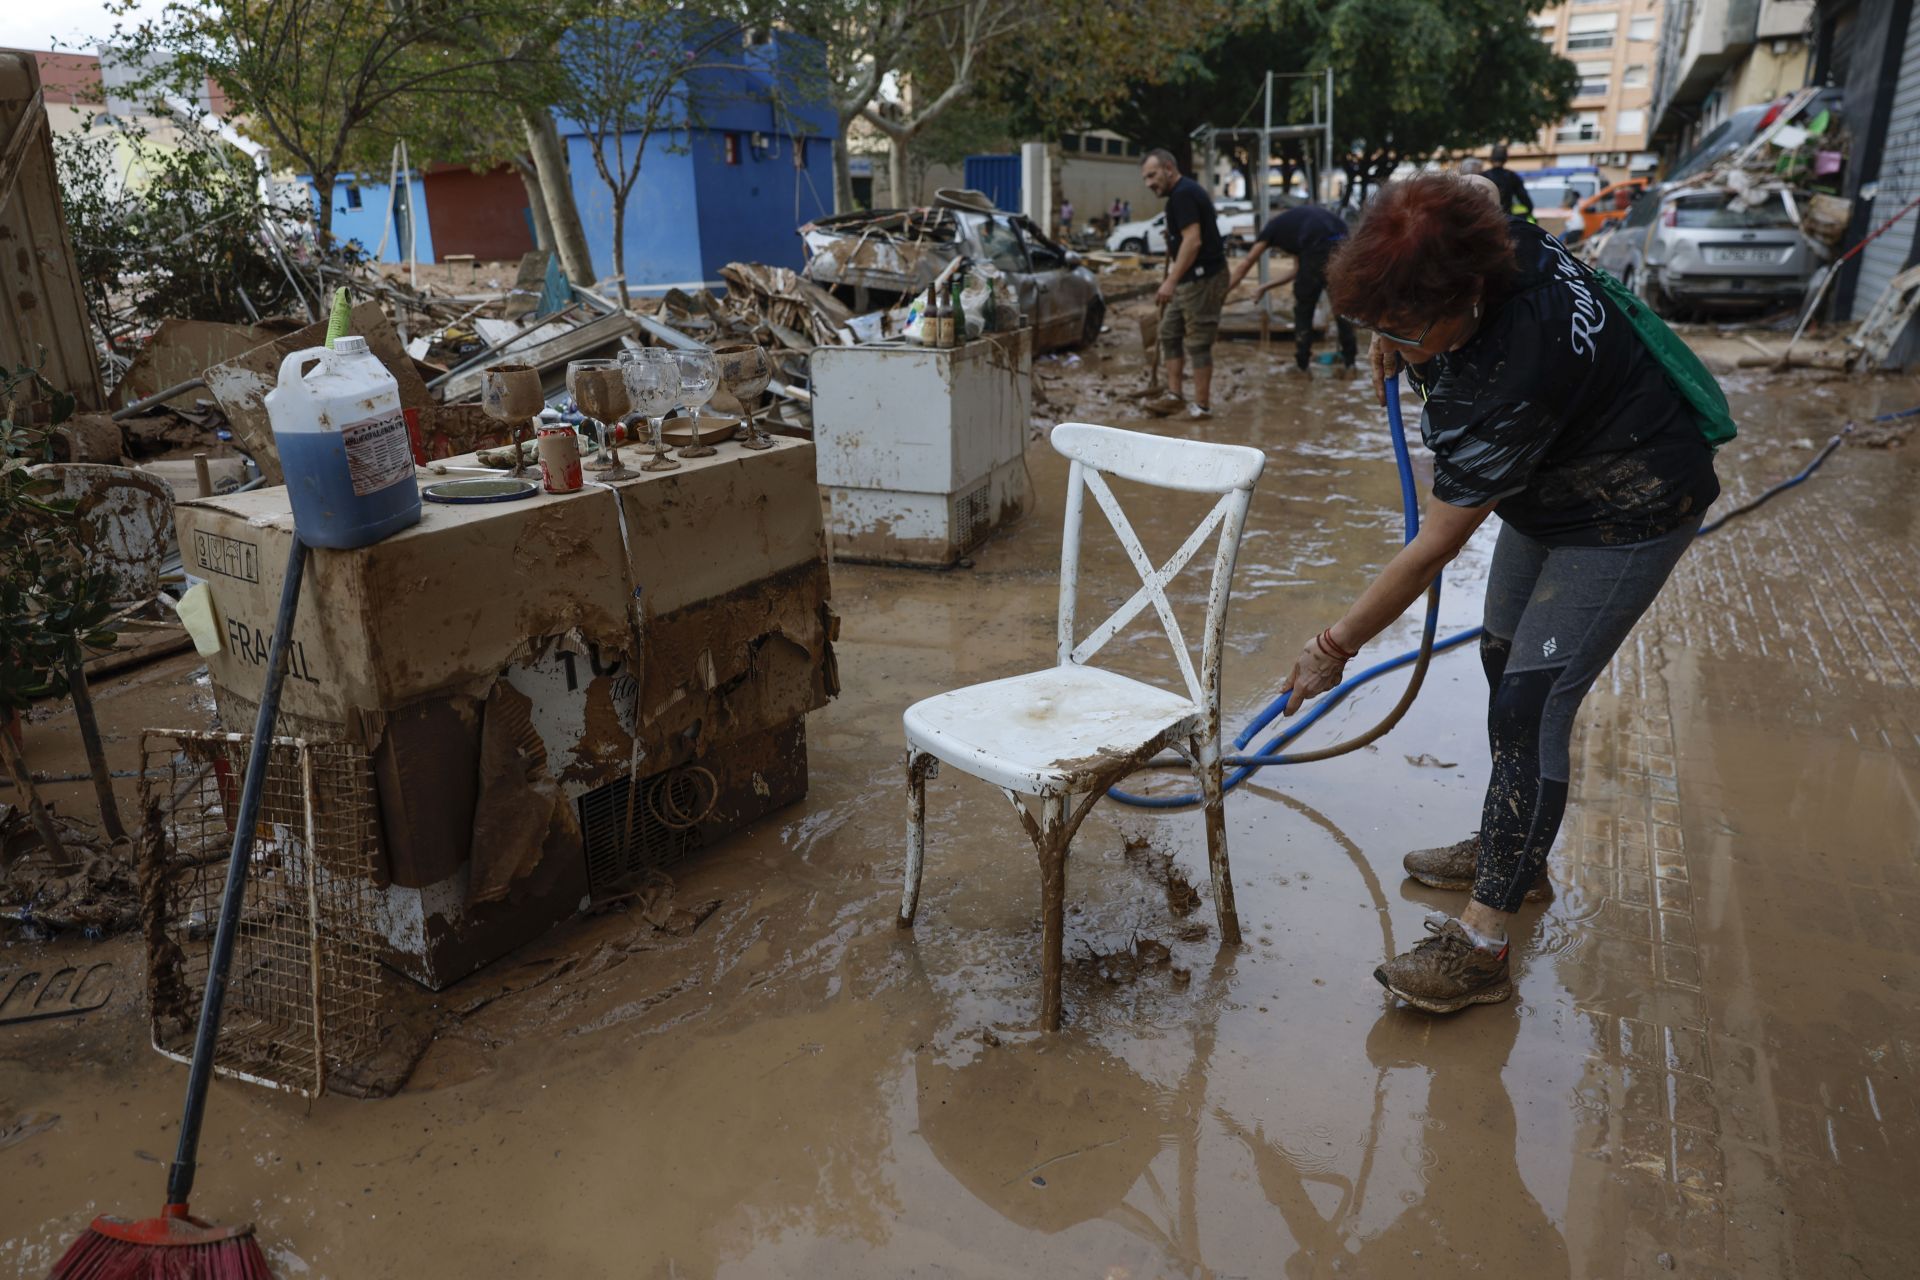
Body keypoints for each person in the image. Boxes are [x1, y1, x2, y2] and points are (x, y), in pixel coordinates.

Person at [1281, 173, 1720, 1014]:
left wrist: (1332, 646)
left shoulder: (1511, 377)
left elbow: (1435, 546)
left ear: (1471, 295)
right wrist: (1396, 327)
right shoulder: (1491, 231)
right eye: (1382, 327)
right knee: (1499, 661)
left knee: (1532, 705)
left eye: (1410, 329)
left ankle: (1482, 946)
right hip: (1550, 486)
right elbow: (1467, 186)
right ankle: (1516, 850)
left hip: (1630, 505)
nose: (1395, 347)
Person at [1141, 149, 1228, 419]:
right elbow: (1187, 237)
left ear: (1169, 168)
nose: (1149, 184)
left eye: (1152, 175)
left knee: (1198, 342)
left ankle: (1201, 407)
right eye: (1145, 178)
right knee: (1168, 333)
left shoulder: (1184, 194)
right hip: (1190, 278)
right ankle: (1174, 395)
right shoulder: (1179, 197)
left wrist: (1170, 281)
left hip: (1203, 278)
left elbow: (1194, 241)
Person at [1224, 204, 1357, 371]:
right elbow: (1296, 270)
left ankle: (1302, 365)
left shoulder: (1270, 231)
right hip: (1344, 248)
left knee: (1304, 310)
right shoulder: (1296, 226)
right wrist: (1264, 287)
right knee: (1342, 308)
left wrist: (1223, 293)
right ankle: (1350, 362)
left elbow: (1245, 264)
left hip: (1319, 249)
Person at [1483, 145, 1533, 220]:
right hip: (1506, 218)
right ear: (1505, 159)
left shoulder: (1483, 176)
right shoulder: (1512, 176)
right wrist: (1527, 212)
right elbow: (1525, 199)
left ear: (1491, 159)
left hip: (1486, 218)